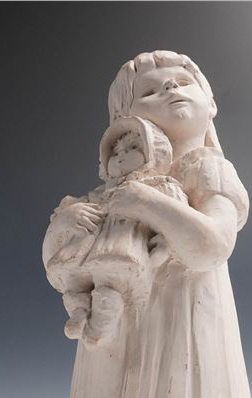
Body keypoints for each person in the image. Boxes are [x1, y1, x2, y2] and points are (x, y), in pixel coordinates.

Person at [43, 50, 252, 398]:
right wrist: (70, 224)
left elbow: (211, 245)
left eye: (183, 80)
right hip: (125, 321)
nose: (170, 89)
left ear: (210, 102)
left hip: (187, 316)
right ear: (124, 124)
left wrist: (148, 204)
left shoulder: (209, 169)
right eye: (149, 91)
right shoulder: (117, 183)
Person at [45, 115, 187, 348]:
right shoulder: (98, 194)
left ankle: (101, 324)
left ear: (154, 153)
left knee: (110, 281)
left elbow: (173, 218)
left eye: (133, 148)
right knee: (73, 277)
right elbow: (68, 216)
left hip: (120, 246)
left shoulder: (157, 187)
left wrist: (163, 246)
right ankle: (78, 309)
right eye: (116, 152)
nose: (121, 156)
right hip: (84, 249)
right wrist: (70, 214)